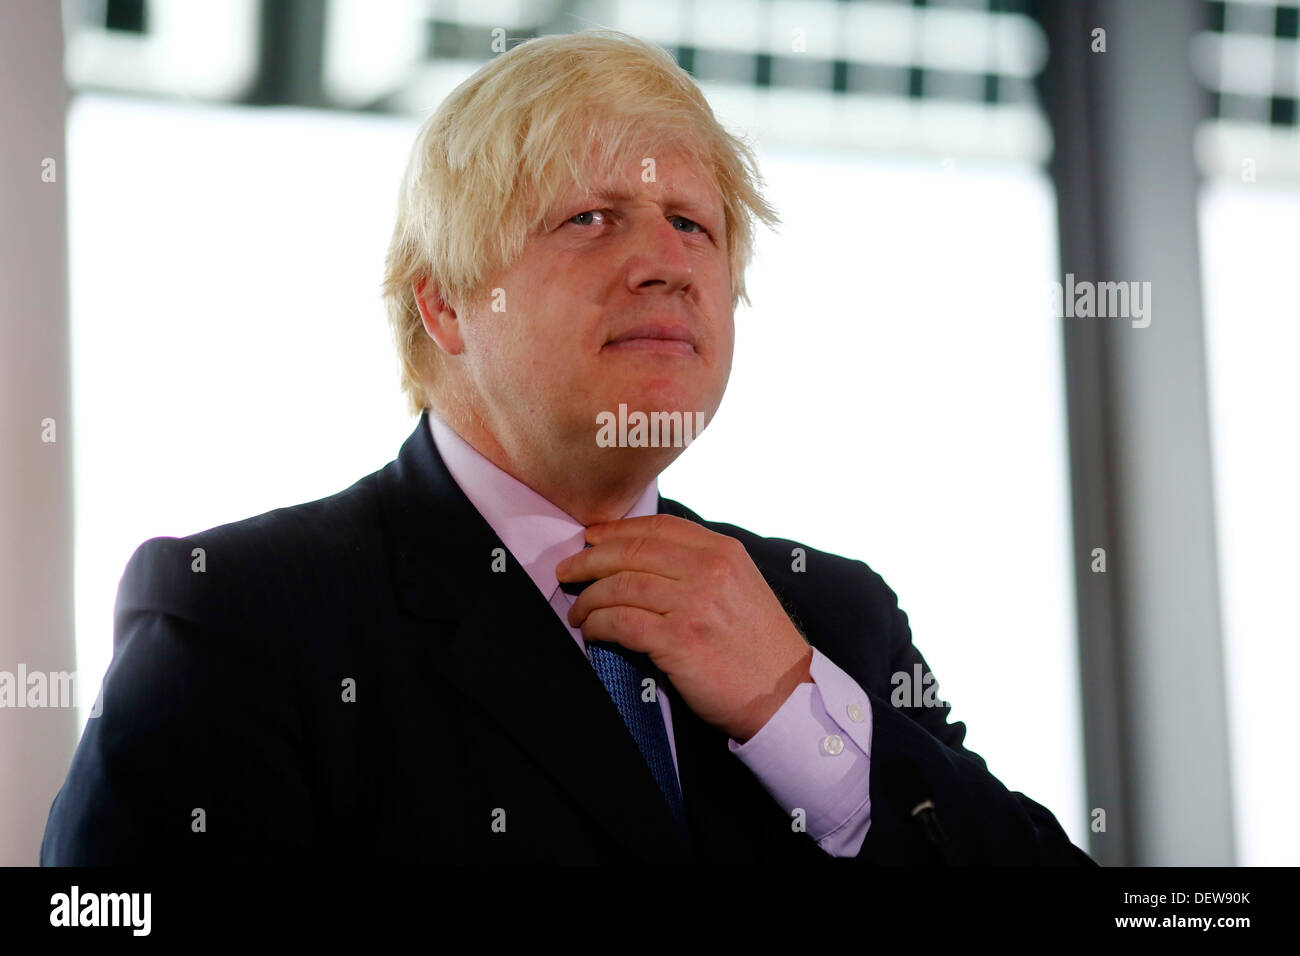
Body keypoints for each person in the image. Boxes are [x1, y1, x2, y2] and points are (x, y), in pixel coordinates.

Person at [41, 28, 1093, 865]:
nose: (665, 264)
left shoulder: (830, 614)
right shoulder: (242, 612)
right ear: (446, 304)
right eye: (591, 217)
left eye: (693, 224)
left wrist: (790, 713)